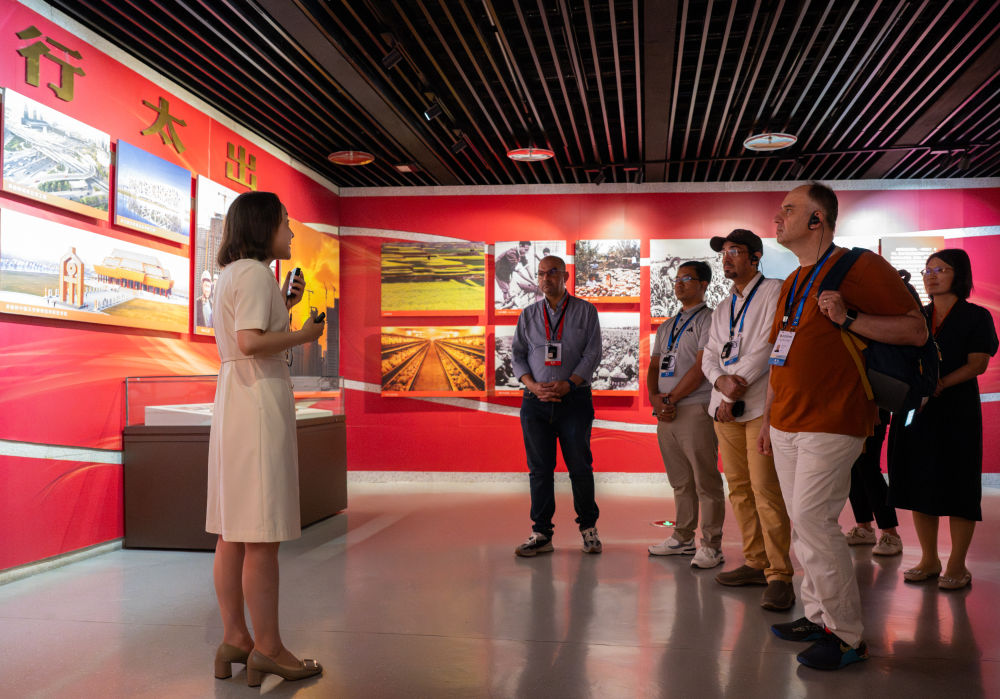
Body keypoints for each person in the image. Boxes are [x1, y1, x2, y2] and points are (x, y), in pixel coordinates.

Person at [763, 182, 926, 670]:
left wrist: (849, 316)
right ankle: (818, 616)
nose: (778, 217)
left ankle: (847, 636)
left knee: (814, 521)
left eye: (789, 209)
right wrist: (768, 420)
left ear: (818, 219)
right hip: (786, 420)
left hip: (834, 417)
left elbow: (916, 330)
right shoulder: (793, 280)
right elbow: (779, 355)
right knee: (805, 525)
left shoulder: (860, 267)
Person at [206, 191, 326, 686]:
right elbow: (252, 341)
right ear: (263, 227)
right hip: (258, 401)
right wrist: (304, 335)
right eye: (285, 223)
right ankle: (270, 648)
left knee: (232, 531)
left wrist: (285, 307)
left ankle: (235, 638)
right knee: (261, 535)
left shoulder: (232, 274)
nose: (291, 232)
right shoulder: (256, 274)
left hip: (235, 399)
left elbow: (245, 335)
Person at [888, 249, 998, 590]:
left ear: (959, 274)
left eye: (941, 269)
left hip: (957, 409)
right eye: (927, 270)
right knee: (919, 481)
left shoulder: (976, 316)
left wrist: (940, 383)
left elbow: (978, 363)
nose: (931, 276)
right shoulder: (917, 316)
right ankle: (928, 559)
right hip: (918, 409)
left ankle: (957, 564)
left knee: (960, 484)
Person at [702, 230, 794, 609]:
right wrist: (720, 384)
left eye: (735, 251)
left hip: (758, 407)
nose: (727, 258)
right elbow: (710, 354)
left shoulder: (773, 290)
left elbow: (770, 345)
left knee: (765, 490)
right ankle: (756, 562)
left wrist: (731, 388)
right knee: (738, 489)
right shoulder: (723, 306)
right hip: (724, 408)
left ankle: (780, 574)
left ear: (755, 256)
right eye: (724, 253)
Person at [512, 255, 603, 557]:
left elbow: (593, 353)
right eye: (541, 273)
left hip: (574, 400)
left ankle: (588, 529)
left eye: (552, 273)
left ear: (565, 276)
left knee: (580, 467)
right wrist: (532, 385)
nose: (545, 278)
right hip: (535, 401)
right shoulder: (528, 315)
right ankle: (541, 533)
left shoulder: (585, 311)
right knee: (539, 470)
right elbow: (517, 356)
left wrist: (570, 383)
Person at [647, 261, 725, 569]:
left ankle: (712, 545)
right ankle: (682, 537)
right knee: (680, 480)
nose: (678, 283)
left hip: (694, 407)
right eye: (677, 278)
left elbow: (702, 366)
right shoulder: (667, 326)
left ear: (704, 284)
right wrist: (655, 399)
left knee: (706, 481)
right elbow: (654, 366)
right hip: (666, 412)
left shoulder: (710, 320)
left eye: (687, 278)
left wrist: (671, 398)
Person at [843, 408, 903, 556]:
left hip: (870, 409)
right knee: (852, 467)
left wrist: (874, 408)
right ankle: (864, 527)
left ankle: (890, 533)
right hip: (847, 410)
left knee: (868, 466)